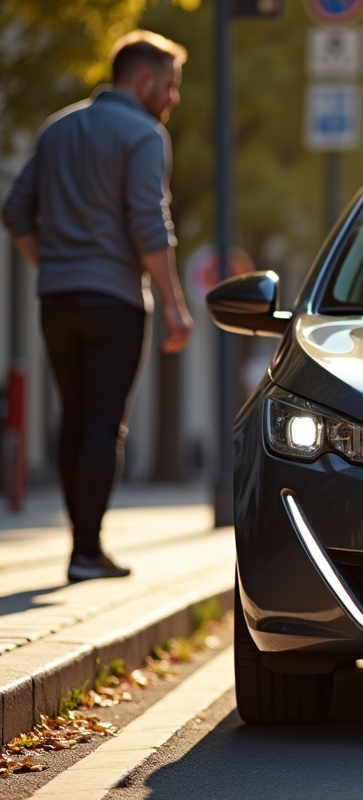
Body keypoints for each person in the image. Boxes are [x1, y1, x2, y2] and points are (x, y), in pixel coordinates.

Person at [1, 31, 193, 581]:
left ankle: (82, 547)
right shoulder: (144, 134)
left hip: (57, 300)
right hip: (113, 302)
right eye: (170, 87)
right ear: (145, 81)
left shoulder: (58, 127)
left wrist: (55, 265)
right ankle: (87, 552)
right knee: (104, 425)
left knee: (74, 418)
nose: (173, 99)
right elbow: (147, 222)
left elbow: (16, 211)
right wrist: (175, 306)